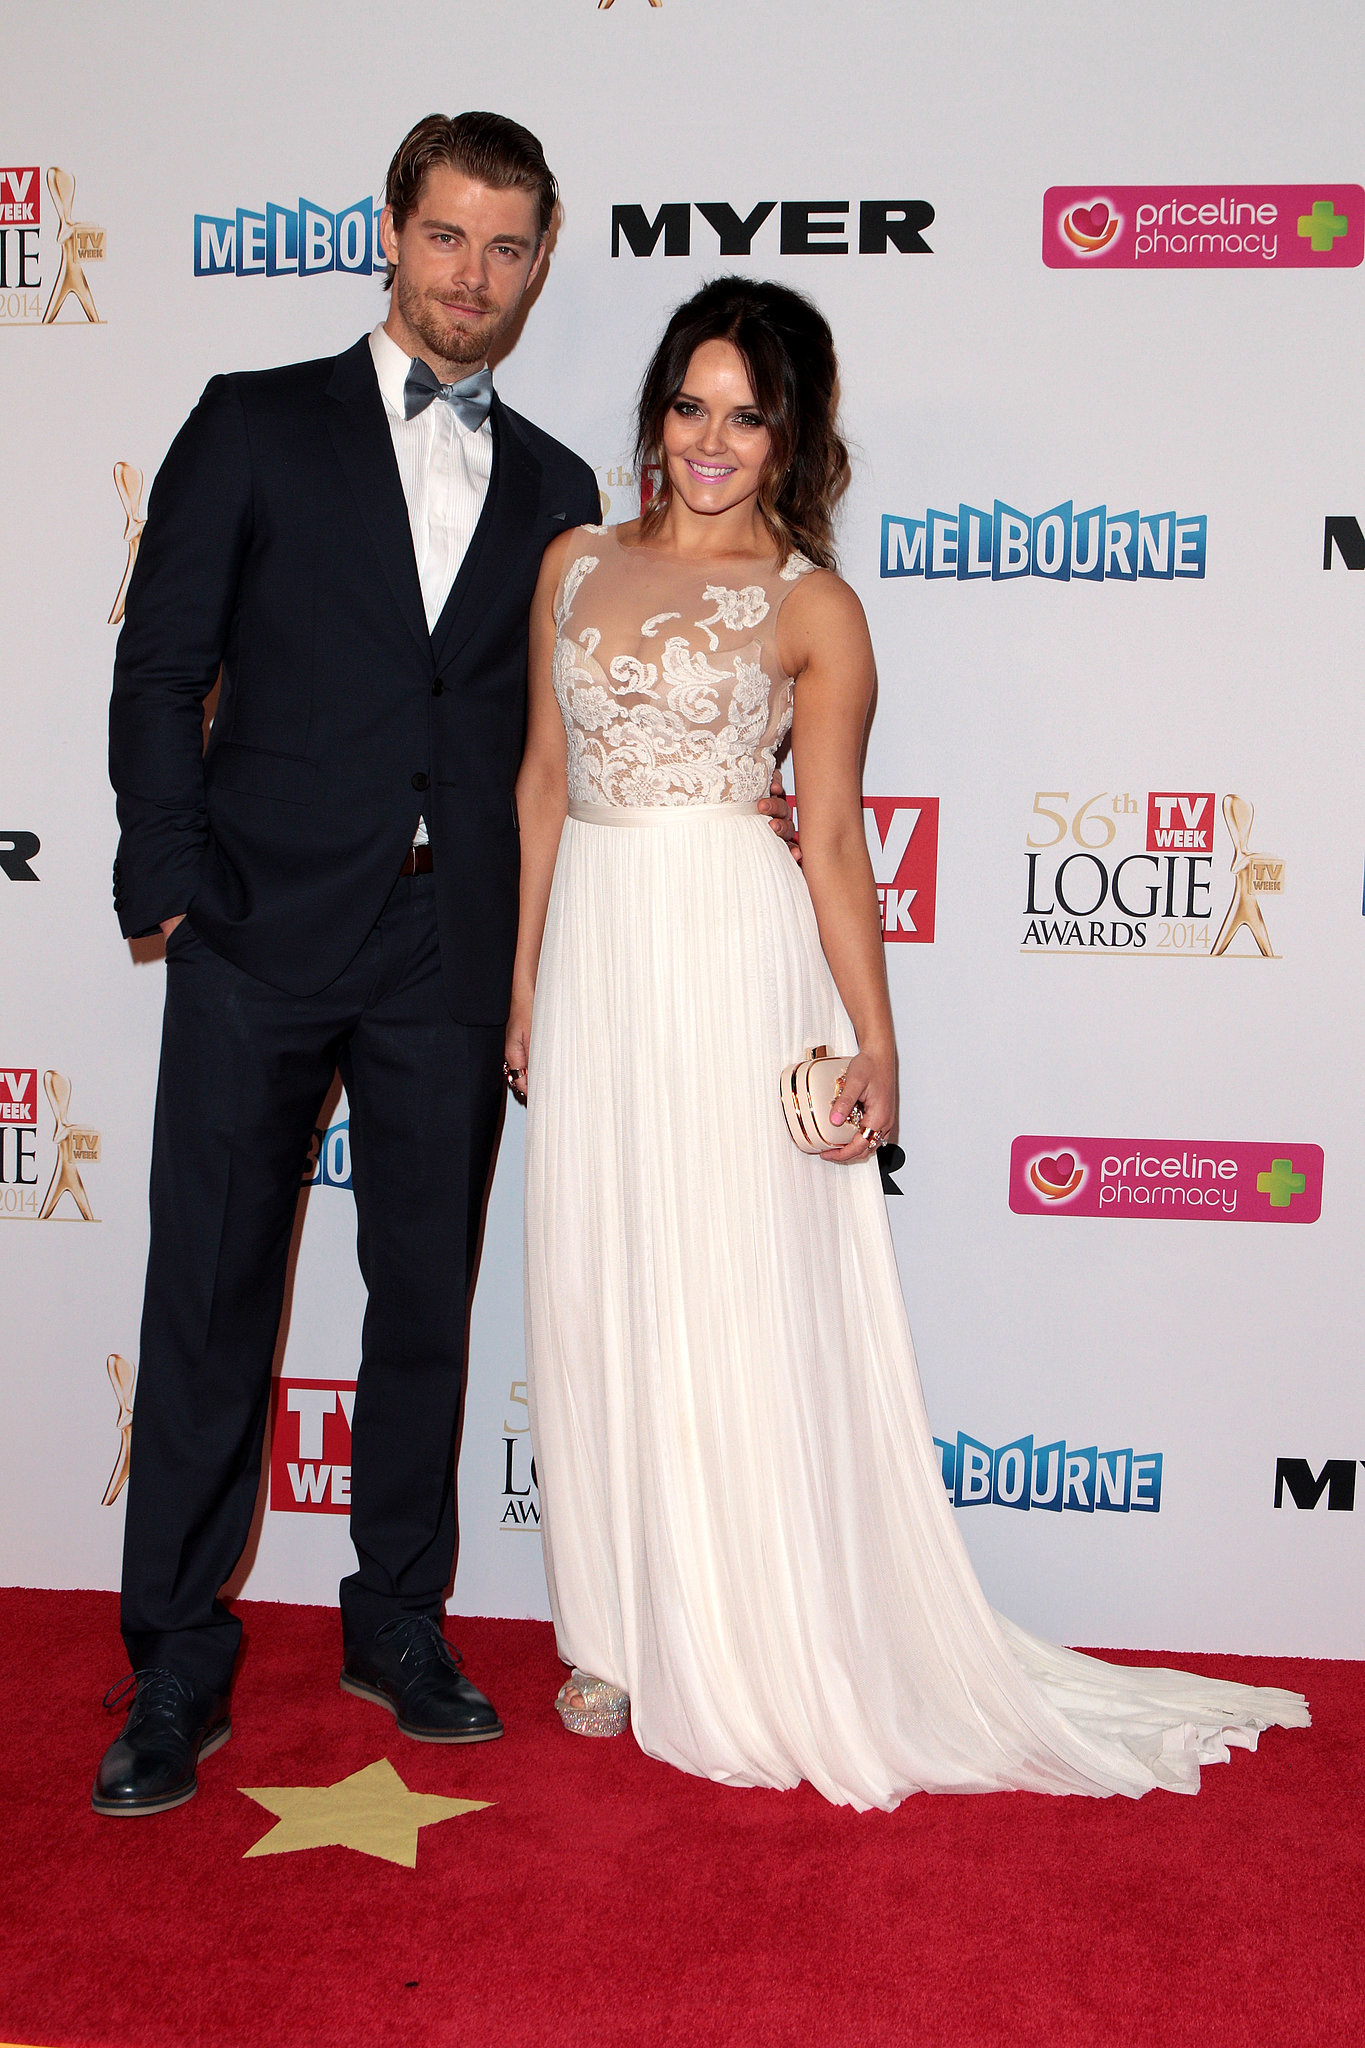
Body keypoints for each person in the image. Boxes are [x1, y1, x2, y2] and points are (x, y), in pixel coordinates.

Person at [506, 277, 1309, 1809]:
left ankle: (743, 1630)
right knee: (598, 1273)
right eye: (689, 405)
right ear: (656, 411)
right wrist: (526, 980)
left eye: (748, 417)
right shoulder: (572, 562)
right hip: (597, 953)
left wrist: (874, 1042)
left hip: (729, 954)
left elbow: (828, 842)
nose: (710, 442)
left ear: (793, 436)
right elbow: (541, 781)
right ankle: (610, 1629)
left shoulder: (813, 605)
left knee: (730, 1285)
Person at [99, 108, 790, 1820]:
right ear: (390, 234)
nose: (472, 275)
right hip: (257, 932)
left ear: (539, 265)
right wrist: (175, 885)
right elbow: (159, 666)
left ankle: (397, 1618)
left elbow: (554, 747)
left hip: (449, 946)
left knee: (424, 1303)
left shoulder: (561, 490)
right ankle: (175, 1658)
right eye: (446, 237)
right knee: (208, 1301)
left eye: (506, 247)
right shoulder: (253, 422)